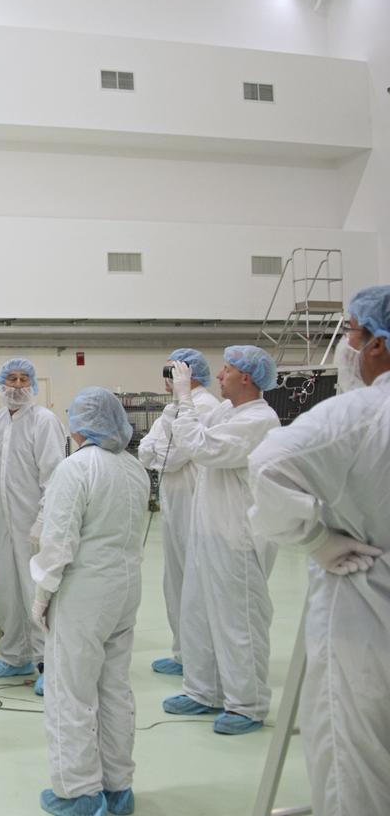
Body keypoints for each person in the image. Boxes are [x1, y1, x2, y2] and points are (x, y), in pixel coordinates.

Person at [247, 285, 390, 816]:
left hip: (368, 607)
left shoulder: (360, 415)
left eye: (352, 331)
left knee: (357, 760)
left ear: (377, 344)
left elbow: (266, 465)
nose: (346, 343)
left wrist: (314, 539)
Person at [31, 387, 149, 816]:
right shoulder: (134, 469)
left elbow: (58, 544)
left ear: (80, 424)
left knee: (72, 692)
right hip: (126, 589)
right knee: (115, 688)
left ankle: (78, 793)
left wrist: (42, 595)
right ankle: (119, 788)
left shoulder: (77, 468)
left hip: (84, 595)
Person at [162, 345, 280, 735]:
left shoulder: (259, 420)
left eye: (227, 370)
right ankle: (203, 690)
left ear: (246, 377)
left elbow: (199, 447)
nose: (219, 376)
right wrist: (181, 402)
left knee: (238, 621)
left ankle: (247, 704)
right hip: (208, 530)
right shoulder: (230, 411)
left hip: (237, 538)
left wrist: (184, 396)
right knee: (198, 613)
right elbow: (185, 440)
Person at [0, 357, 65, 693]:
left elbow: (55, 476)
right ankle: (14, 655)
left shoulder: (44, 422)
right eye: (11, 379)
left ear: (33, 385)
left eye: (23, 380)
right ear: (1, 384)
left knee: (37, 593)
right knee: (7, 590)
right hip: (2, 522)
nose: (17, 386)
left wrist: (44, 520)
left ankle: (47, 662)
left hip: (33, 523)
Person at [137, 348, 222, 677]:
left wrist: (160, 451)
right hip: (174, 502)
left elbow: (172, 457)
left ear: (188, 374)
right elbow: (147, 450)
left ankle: (201, 659)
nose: (166, 380)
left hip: (195, 501)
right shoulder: (173, 408)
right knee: (175, 581)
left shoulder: (203, 406)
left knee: (195, 582)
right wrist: (160, 450)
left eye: (171, 372)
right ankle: (183, 652)